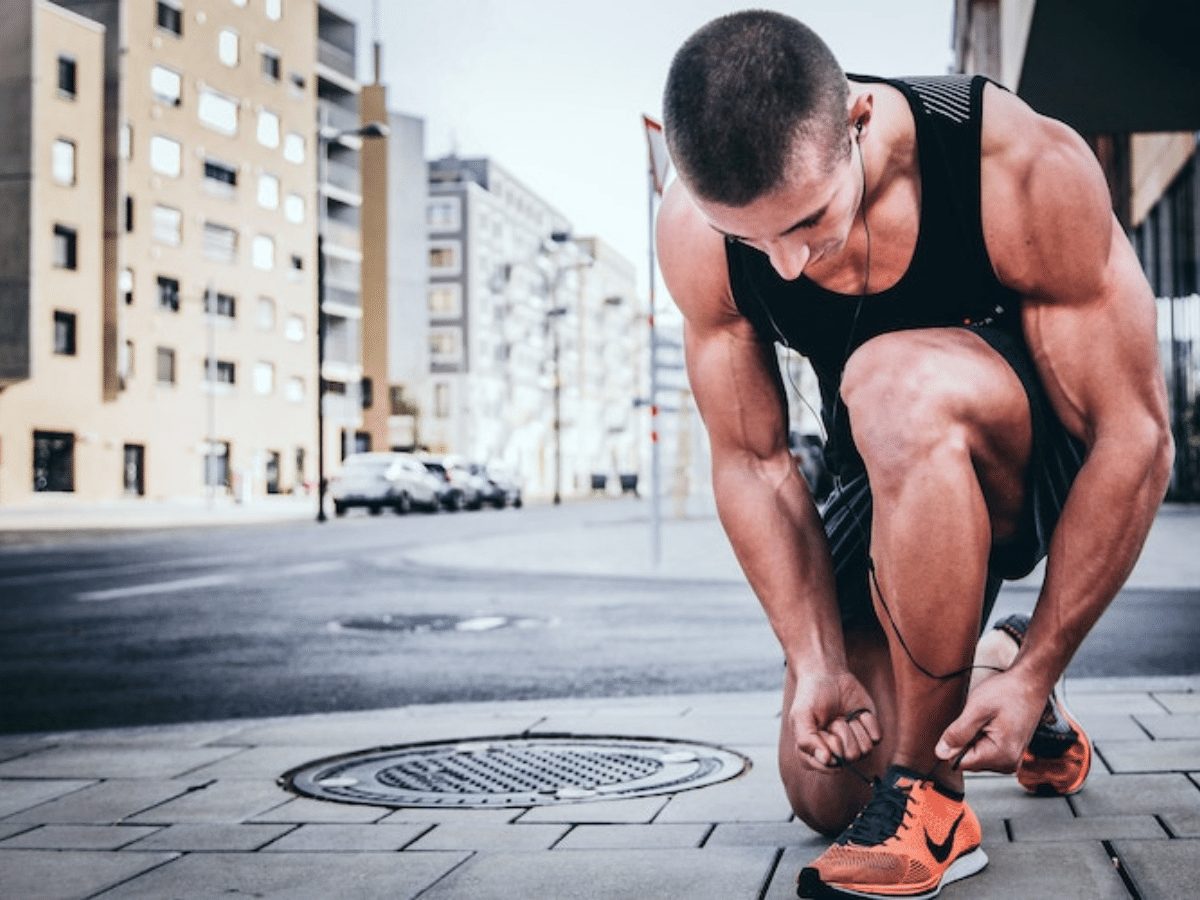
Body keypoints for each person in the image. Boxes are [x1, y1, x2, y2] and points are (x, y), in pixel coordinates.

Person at [657, 11, 1173, 899]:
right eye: (753, 240)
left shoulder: (1009, 161)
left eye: (809, 221)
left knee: (891, 378)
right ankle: (992, 674)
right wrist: (814, 659)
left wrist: (1054, 651)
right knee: (825, 786)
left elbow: (1136, 435)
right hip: (885, 469)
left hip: (1029, 459)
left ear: (858, 122)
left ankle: (931, 802)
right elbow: (754, 461)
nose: (783, 266)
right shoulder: (698, 228)